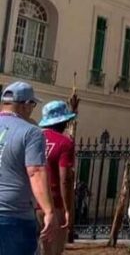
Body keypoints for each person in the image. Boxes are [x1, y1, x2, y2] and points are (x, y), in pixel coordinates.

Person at [0, 82, 56, 255]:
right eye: (33, 104)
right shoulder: (31, 132)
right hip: (13, 214)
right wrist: (48, 211)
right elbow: (36, 172)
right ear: (25, 105)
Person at [38, 100, 76, 255]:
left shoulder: (33, 137)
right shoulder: (65, 143)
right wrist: (68, 209)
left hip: (31, 203)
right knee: (53, 251)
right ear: (64, 122)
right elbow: (65, 179)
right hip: (55, 204)